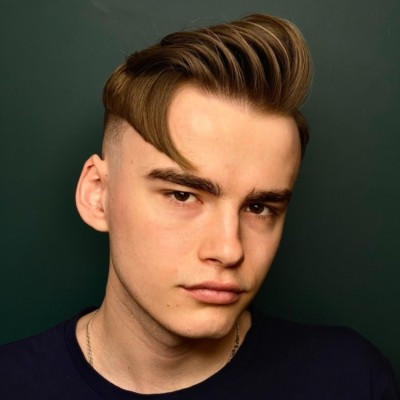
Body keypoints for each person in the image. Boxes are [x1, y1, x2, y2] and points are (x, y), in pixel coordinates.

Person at [0, 13, 398, 400]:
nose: (229, 250)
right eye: (183, 195)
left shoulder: (350, 381)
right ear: (97, 195)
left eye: (259, 207)